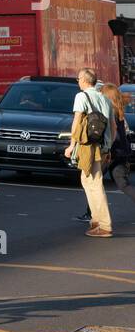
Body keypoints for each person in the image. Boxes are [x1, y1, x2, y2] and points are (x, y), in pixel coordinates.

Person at [64, 67, 114, 236]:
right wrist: (108, 146)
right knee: (88, 181)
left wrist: (71, 146)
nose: (78, 81)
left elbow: (77, 123)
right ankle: (95, 220)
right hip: (102, 146)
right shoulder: (105, 99)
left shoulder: (81, 96)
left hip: (88, 146)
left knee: (95, 183)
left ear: (85, 80)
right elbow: (112, 127)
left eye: (78, 78)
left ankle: (105, 225)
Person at [100, 84, 135, 213]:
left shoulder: (110, 112)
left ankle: (92, 213)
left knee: (95, 183)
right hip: (121, 152)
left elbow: (113, 134)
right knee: (123, 184)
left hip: (112, 152)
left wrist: (107, 149)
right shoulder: (118, 110)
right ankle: (90, 212)